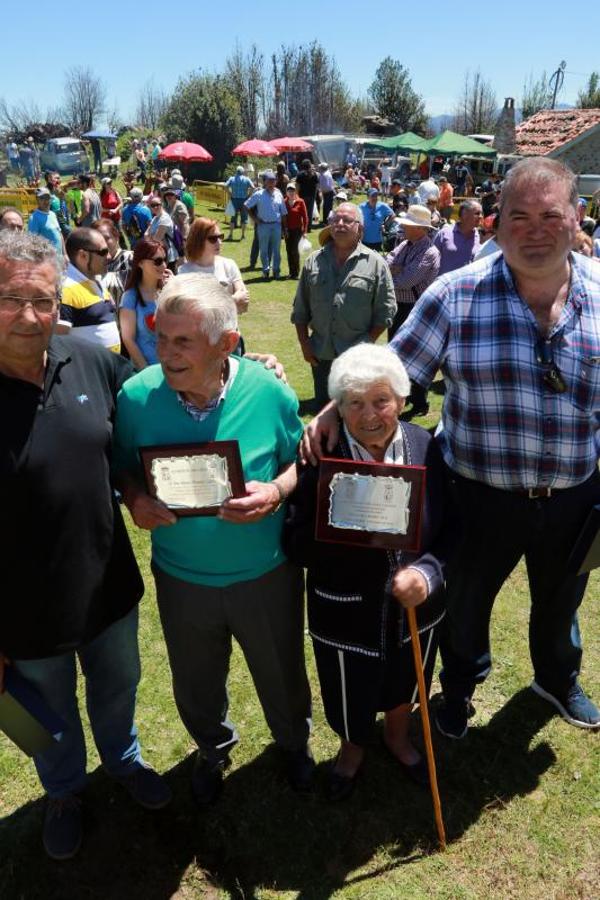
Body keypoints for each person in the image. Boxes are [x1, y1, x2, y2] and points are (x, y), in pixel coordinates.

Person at [305, 157, 600, 738]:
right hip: (475, 492)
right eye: (519, 216)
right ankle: (459, 688)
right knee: (465, 603)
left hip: (574, 492)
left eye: (550, 215)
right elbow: (394, 372)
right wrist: (336, 407)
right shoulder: (454, 294)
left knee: (562, 599)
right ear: (496, 222)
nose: (535, 230)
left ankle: (558, 679)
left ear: (576, 217)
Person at [0, 231, 171, 860]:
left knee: (117, 686)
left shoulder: (89, 360)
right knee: (43, 714)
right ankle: (65, 789)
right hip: (21, 612)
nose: (29, 316)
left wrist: (238, 371)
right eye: (10, 298)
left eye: (42, 300)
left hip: (107, 589)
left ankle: (122, 762)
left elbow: (152, 408)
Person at [113, 274, 314, 804]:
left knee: (282, 670)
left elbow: (301, 461)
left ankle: (293, 743)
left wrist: (274, 491)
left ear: (226, 344)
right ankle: (212, 746)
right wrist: (135, 498)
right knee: (195, 681)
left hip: (264, 572)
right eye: (161, 338)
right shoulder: (136, 397)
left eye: (184, 341)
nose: (167, 353)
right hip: (182, 577)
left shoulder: (268, 390)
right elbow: (123, 469)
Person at [284, 344, 451, 798]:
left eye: (381, 400)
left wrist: (427, 575)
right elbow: (293, 541)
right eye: (354, 403)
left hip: (412, 602)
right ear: (339, 407)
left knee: (404, 674)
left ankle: (398, 737)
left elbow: (451, 531)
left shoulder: (424, 447)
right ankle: (352, 747)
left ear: (400, 399)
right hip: (344, 606)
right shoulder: (322, 455)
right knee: (347, 683)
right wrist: (334, 526)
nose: (370, 414)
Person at [291, 202, 396, 408]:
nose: (340, 224)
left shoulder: (376, 264)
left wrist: (366, 342)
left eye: (347, 220)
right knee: (323, 411)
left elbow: (386, 312)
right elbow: (300, 309)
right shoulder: (313, 261)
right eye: (335, 220)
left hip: (357, 358)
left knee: (353, 412)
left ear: (360, 229)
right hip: (321, 354)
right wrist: (305, 344)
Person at [385, 205, 440, 417]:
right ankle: (404, 394)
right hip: (399, 307)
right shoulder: (406, 244)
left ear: (419, 228)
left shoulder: (430, 252)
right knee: (396, 352)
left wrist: (394, 271)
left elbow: (407, 281)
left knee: (417, 355)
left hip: (416, 309)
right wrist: (395, 268)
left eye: (407, 224)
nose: (403, 227)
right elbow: (387, 260)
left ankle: (419, 401)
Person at [57, 227, 121, 353]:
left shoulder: (97, 281)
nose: (109, 256)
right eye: (103, 252)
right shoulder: (66, 290)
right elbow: (58, 343)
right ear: (83, 256)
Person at [179, 217, 249, 319]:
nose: (219, 242)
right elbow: (194, 311)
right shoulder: (184, 272)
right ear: (198, 240)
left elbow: (244, 302)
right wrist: (232, 301)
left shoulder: (229, 264)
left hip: (231, 332)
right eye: (213, 239)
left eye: (220, 237)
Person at [119, 238, 169, 368]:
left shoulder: (169, 291)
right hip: (147, 369)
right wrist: (145, 371)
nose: (163, 266)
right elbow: (128, 339)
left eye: (165, 260)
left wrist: (175, 288)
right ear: (140, 263)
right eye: (157, 261)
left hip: (172, 367)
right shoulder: (130, 297)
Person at [244, 170, 288, 280]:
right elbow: (246, 206)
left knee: (276, 251)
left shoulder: (279, 194)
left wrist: (285, 228)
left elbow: (283, 213)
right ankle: (265, 270)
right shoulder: (259, 194)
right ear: (265, 182)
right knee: (263, 250)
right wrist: (255, 219)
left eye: (273, 180)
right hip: (263, 226)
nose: (272, 183)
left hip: (276, 226)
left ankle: (276, 271)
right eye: (269, 181)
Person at [92, 218, 133, 307]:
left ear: (116, 237)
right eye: (97, 239)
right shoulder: (90, 265)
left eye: (106, 238)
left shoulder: (130, 258)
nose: (102, 243)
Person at [433, 200, 482, 275]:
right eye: (477, 213)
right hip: (444, 285)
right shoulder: (444, 234)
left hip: (468, 285)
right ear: (464, 214)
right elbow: (432, 261)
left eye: (481, 213)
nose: (481, 216)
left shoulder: (481, 237)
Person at [27, 188, 65, 261]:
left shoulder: (52, 214)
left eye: (47, 198)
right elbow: (32, 243)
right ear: (37, 200)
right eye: (42, 198)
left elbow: (59, 234)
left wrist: (65, 254)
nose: (45, 201)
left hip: (59, 259)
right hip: (47, 262)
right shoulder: (34, 218)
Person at [145, 196, 178, 271]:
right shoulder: (155, 218)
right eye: (152, 205)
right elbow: (145, 235)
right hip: (159, 254)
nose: (155, 207)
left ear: (162, 204)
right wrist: (151, 236)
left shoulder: (164, 218)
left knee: (169, 278)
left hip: (168, 256)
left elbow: (157, 238)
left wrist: (150, 236)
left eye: (157, 204)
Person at [283, 183, 308, 280]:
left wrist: (305, 231)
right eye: (289, 190)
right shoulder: (283, 202)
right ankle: (291, 272)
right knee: (289, 251)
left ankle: (296, 273)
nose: (291, 192)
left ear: (295, 191)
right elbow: (282, 217)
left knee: (295, 251)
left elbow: (305, 218)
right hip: (287, 230)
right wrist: (284, 230)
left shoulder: (300, 201)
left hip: (297, 230)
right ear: (286, 192)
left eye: (292, 190)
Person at [225, 165, 254, 240]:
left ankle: (231, 235)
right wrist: (248, 195)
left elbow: (225, 186)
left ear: (236, 171)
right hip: (244, 200)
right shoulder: (246, 179)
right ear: (242, 172)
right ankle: (243, 235)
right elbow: (253, 187)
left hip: (234, 199)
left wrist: (229, 193)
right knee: (244, 218)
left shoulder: (232, 178)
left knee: (232, 218)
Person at [295, 159, 319, 232]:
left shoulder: (300, 174)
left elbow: (297, 186)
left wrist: (296, 195)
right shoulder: (314, 174)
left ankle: (302, 227)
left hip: (302, 196)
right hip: (311, 196)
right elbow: (317, 186)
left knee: (302, 212)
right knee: (309, 212)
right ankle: (308, 228)